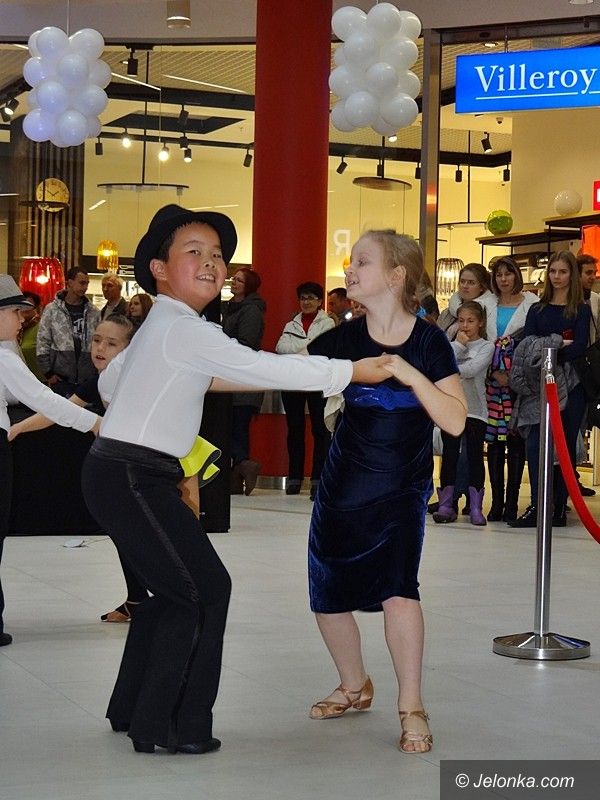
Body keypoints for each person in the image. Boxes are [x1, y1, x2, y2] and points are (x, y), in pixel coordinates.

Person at [80, 204, 392, 756]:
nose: (211, 262)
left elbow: (145, 380)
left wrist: (201, 380)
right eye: (194, 252)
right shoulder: (183, 329)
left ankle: (135, 710)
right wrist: (351, 371)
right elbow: (262, 366)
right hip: (133, 475)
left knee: (175, 590)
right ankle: (172, 727)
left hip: (123, 472)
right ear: (158, 269)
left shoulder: (167, 327)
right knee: (203, 591)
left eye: (218, 254)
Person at [306, 230, 466, 754]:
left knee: (399, 588)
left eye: (362, 262)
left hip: (401, 487)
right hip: (342, 483)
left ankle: (411, 704)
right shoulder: (342, 338)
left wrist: (408, 373)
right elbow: (287, 372)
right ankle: (354, 684)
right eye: (351, 262)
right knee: (328, 591)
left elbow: (455, 421)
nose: (349, 271)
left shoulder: (428, 341)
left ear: (396, 276)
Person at [8, 315, 148, 623]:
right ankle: (138, 599)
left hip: (147, 467)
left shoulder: (137, 380)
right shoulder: (100, 381)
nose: (100, 348)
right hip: (120, 466)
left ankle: (168, 602)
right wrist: (17, 428)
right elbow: (59, 410)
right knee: (124, 533)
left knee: (144, 536)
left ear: (129, 349)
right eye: (96, 340)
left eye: (111, 343)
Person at [0, 275, 100, 647]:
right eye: (15, 311)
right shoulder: (3, 358)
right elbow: (45, 401)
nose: (22, 319)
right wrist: (93, 423)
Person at [510, 251, 591, 528]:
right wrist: (557, 344)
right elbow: (528, 345)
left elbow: (578, 346)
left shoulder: (580, 309)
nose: (557, 277)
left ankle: (558, 506)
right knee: (535, 445)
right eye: (553, 271)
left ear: (571, 275)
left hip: (572, 383)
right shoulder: (537, 309)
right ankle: (538, 504)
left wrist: (548, 349)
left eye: (562, 271)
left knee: (564, 446)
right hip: (539, 384)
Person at [479, 257, 539, 521]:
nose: (503, 279)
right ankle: (497, 502)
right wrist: (493, 371)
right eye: (499, 274)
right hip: (491, 381)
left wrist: (512, 374)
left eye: (508, 274)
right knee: (494, 441)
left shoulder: (532, 304)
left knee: (515, 440)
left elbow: (532, 343)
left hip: (519, 383)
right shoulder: (486, 304)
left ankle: (512, 502)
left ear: (517, 275)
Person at [433, 301, 494, 526]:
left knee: (475, 457)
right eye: (461, 321)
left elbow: (471, 370)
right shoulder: (451, 345)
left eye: (470, 321)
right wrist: (458, 345)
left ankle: (476, 506)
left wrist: (451, 367)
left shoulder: (487, 346)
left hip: (476, 410)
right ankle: (446, 504)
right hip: (452, 408)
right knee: (449, 455)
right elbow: (440, 366)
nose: (465, 325)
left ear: (481, 322)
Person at [276, 282, 335, 499]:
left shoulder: (328, 323)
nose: (306, 302)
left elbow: (324, 349)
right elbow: (281, 347)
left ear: (319, 301)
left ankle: (318, 478)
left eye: (311, 298)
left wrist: (298, 350)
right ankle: (294, 477)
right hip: (293, 382)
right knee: (295, 429)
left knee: (320, 430)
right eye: (303, 298)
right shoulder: (291, 324)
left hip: (318, 382)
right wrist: (307, 348)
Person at [221, 267, 265, 496]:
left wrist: (221, 344)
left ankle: (244, 463)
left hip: (242, 380)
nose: (233, 282)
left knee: (237, 428)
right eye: (233, 278)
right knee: (232, 428)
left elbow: (246, 343)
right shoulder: (229, 307)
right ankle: (236, 479)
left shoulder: (251, 311)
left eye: (239, 280)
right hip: (230, 378)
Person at [36, 266, 100, 396]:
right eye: (82, 283)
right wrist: (48, 373)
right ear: (70, 283)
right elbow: (43, 340)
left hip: (87, 377)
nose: (85, 287)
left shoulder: (94, 311)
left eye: (87, 283)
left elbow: (99, 341)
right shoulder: (52, 309)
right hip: (60, 377)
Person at [18, 291, 44, 381]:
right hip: (21, 379)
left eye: (28, 304)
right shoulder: (17, 328)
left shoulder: (41, 327)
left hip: (41, 380)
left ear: (36, 307)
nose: (24, 308)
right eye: (21, 305)